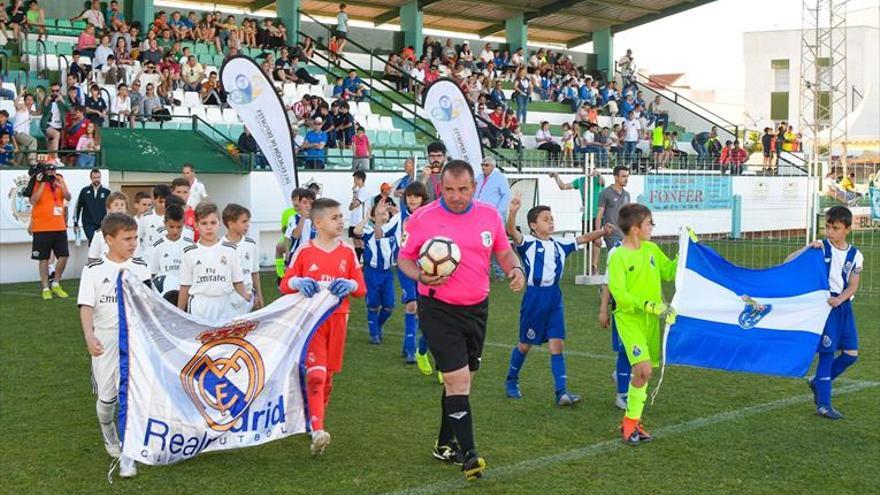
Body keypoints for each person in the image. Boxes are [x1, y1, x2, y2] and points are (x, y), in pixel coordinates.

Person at [397, 160, 526, 480]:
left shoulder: (488, 216)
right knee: (457, 381)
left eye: (463, 189)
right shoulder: (423, 218)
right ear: (441, 187)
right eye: (450, 190)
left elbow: (503, 250)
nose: (456, 196)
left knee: (462, 380)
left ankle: (444, 443)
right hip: (437, 309)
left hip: (476, 309)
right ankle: (469, 454)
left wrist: (516, 268)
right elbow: (404, 258)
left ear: (474, 187)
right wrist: (421, 276)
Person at [504, 193, 613, 404]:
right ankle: (511, 379)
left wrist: (602, 231)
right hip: (535, 298)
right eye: (546, 219)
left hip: (554, 297)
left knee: (557, 344)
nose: (551, 222)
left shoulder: (560, 244)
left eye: (552, 218)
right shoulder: (527, 242)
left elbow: (582, 238)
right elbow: (512, 232)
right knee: (525, 344)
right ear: (533, 226)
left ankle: (561, 392)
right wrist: (513, 212)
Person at [279, 198, 366, 456]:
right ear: (318, 223)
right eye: (335, 217)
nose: (341, 221)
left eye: (341, 217)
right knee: (315, 374)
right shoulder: (304, 251)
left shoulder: (348, 252)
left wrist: (350, 285)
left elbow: (361, 289)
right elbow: (285, 284)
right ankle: (318, 429)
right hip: (312, 323)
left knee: (327, 378)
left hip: (338, 321)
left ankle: (313, 419)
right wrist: (298, 282)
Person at [77, 213, 150, 479]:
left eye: (136, 238)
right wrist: (89, 336)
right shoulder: (94, 270)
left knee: (132, 397)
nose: (133, 243)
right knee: (107, 400)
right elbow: (86, 306)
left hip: (134, 340)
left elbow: (150, 304)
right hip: (106, 340)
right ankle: (108, 431)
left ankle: (128, 456)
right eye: (127, 239)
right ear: (109, 240)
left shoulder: (141, 266)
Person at [607, 204, 678, 445]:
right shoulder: (618, 256)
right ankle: (629, 424)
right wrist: (649, 305)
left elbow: (669, 272)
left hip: (651, 320)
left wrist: (688, 251)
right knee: (643, 370)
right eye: (649, 223)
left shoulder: (652, 249)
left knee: (645, 373)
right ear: (636, 229)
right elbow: (620, 294)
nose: (652, 227)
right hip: (630, 320)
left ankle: (633, 421)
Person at [787, 206, 862, 420]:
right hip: (825, 308)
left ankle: (816, 382)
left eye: (835, 228)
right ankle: (824, 405)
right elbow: (788, 260)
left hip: (843, 307)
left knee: (850, 355)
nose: (830, 232)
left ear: (847, 229)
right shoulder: (820, 248)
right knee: (827, 355)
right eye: (827, 227)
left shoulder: (856, 255)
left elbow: (854, 285)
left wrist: (841, 298)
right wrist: (807, 248)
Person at [177, 202, 251, 321]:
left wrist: (247, 296)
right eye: (204, 223)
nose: (209, 227)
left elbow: (237, 282)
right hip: (199, 307)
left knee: (225, 339)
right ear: (196, 226)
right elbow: (185, 287)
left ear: (219, 224)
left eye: (213, 222)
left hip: (224, 305)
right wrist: (179, 313)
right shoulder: (189, 252)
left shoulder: (230, 250)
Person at [393, 181, 431, 369]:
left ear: (423, 198)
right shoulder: (399, 217)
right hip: (406, 267)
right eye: (409, 196)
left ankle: (414, 342)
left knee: (424, 309)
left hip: (425, 268)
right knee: (412, 305)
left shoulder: (430, 217)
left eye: (416, 196)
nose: (412, 199)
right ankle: (410, 347)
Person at [354, 200, 399, 345]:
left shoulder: (393, 229)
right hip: (372, 272)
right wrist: (367, 217)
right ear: (374, 217)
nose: (383, 214)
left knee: (389, 305)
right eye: (379, 213)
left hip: (387, 273)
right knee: (373, 304)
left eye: (385, 212)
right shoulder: (368, 230)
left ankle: (378, 325)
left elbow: (404, 218)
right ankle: (374, 334)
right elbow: (356, 231)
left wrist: (395, 210)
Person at [29, 163, 71, 299]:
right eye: (49, 170)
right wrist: (43, 184)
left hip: (59, 226)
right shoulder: (37, 180)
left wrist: (61, 186)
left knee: (64, 256)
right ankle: (45, 288)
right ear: (45, 171)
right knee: (43, 259)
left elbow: (68, 197)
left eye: (54, 170)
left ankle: (56, 283)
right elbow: (33, 200)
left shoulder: (59, 179)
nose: (52, 173)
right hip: (41, 227)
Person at [550, 170, 605, 272]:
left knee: (596, 240)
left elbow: (602, 182)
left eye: (591, 167)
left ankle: (594, 266)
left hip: (597, 215)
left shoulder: (598, 179)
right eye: (587, 168)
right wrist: (556, 176)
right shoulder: (580, 181)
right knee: (588, 240)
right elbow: (563, 187)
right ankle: (591, 265)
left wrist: (598, 174)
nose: (589, 170)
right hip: (586, 216)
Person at [222, 204, 263, 315]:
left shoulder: (250, 244)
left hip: (246, 299)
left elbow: (254, 272)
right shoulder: (219, 246)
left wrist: (259, 295)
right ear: (231, 224)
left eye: (248, 221)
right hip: (226, 299)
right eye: (244, 222)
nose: (247, 225)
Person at [475, 156, 511, 280]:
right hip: (478, 215)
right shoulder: (479, 178)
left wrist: (499, 212)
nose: (484, 167)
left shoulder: (500, 178)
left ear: (493, 166)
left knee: (496, 243)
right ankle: (482, 269)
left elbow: (506, 195)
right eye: (482, 165)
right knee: (480, 242)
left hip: (494, 216)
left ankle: (499, 272)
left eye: (486, 165)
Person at [87, 192, 129, 261]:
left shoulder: (132, 233)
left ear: (126, 209)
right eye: (116, 205)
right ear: (108, 209)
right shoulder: (99, 234)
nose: (120, 207)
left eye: (122, 205)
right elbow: (92, 258)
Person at [596, 166, 631, 249]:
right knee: (615, 259)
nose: (626, 179)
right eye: (623, 176)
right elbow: (599, 215)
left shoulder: (627, 195)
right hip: (611, 235)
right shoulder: (605, 193)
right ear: (616, 177)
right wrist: (598, 235)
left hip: (624, 235)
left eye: (627, 176)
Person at [72, 169, 110, 244]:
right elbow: (78, 207)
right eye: (94, 178)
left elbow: (111, 208)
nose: (97, 180)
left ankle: (95, 256)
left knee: (102, 243)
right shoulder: (84, 191)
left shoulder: (107, 191)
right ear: (91, 178)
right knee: (93, 240)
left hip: (102, 223)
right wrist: (75, 223)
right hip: (88, 223)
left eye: (98, 177)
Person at [138, 184, 172, 263]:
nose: (163, 205)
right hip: (149, 258)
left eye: (165, 202)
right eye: (160, 202)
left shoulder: (172, 217)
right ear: (154, 199)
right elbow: (138, 237)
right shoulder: (146, 217)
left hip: (167, 259)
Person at [283, 187, 317, 266]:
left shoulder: (317, 219)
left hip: (313, 256)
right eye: (305, 202)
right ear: (299, 203)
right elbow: (295, 236)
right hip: (297, 255)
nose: (308, 206)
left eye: (310, 203)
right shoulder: (294, 218)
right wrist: (303, 217)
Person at [349, 170, 368, 261]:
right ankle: (357, 261)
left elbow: (356, 204)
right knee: (355, 242)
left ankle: (365, 261)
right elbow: (351, 207)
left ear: (361, 179)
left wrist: (353, 203)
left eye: (355, 179)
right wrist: (354, 193)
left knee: (361, 242)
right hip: (353, 220)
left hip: (359, 221)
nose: (354, 182)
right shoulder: (357, 191)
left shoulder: (364, 191)